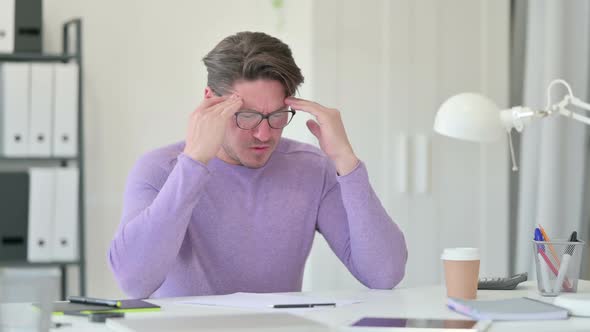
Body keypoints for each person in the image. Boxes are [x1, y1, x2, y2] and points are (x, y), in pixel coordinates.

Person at [108, 31, 407, 298]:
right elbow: (134, 282)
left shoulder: (312, 168)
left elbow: (384, 274)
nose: (264, 134)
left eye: (276, 116)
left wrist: (346, 161)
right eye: (247, 116)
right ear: (210, 102)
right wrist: (194, 163)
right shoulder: (160, 169)